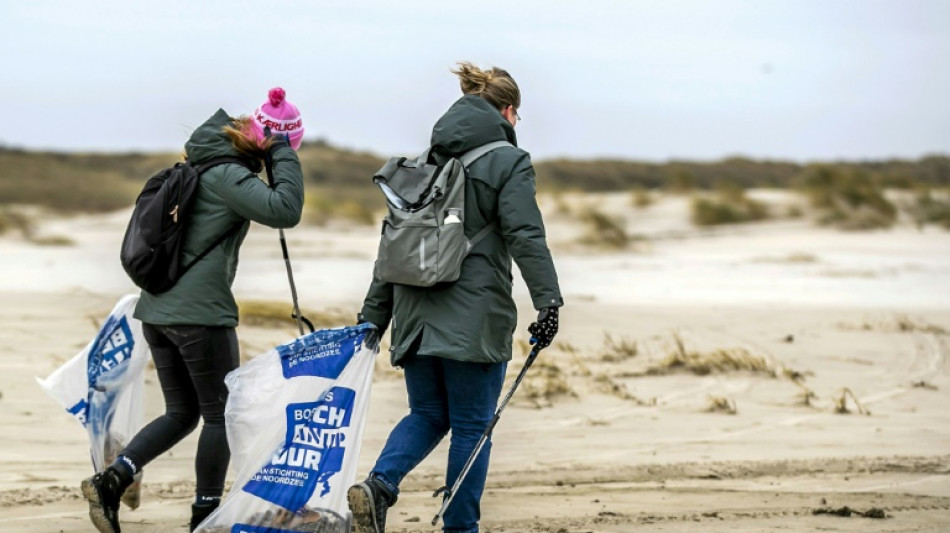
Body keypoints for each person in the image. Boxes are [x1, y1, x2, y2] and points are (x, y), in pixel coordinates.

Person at [349, 62, 563, 533]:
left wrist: (373, 318)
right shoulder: (510, 161)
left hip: (413, 314)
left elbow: (393, 246)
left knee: (426, 413)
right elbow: (525, 233)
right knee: (471, 425)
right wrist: (549, 302)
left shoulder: (425, 161)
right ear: (508, 111)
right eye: (516, 117)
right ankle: (460, 528)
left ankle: (379, 486)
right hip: (474, 315)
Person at [81, 87, 306, 533]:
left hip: (158, 311)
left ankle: (113, 480)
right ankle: (206, 516)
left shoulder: (197, 165)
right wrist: (283, 152)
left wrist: (273, 149)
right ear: (266, 142)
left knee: (182, 413)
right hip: (199, 315)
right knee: (221, 416)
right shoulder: (226, 176)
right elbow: (286, 209)